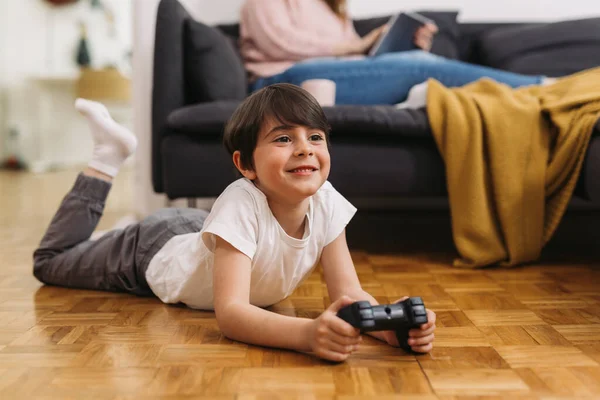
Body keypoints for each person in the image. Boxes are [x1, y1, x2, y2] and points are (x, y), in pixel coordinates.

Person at [32, 84, 437, 362]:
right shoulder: (241, 201)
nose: (304, 149)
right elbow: (231, 314)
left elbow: (347, 293)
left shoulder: (325, 200)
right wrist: (306, 334)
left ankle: (104, 238)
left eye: (315, 137)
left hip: (202, 233)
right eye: (283, 139)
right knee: (50, 262)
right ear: (246, 165)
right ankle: (107, 157)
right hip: (150, 251)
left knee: (92, 252)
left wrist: (387, 327)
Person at [240, 0, 546, 105]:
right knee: (418, 67)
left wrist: (397, 47)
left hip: (331, 78)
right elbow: (279, 42)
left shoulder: (331, 8)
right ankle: (539, 86)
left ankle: (411, 73)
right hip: (283, 82)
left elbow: (355, 62)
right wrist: (357, 45)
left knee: (414, 62)